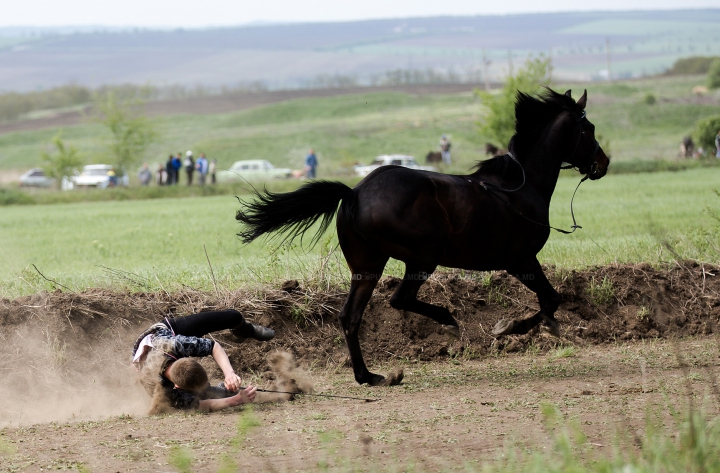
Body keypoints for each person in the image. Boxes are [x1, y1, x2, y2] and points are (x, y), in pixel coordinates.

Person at [132, 309, 275, 413]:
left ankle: (244, 330)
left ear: (187, 357)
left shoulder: (179, 344)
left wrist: (229, 373)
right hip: (149, 359)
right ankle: (220, 390)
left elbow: (214, 347)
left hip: (165, 331)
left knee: (233, 316)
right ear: (176, 386)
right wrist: (235, 401)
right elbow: (200, 405)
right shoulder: (161, 390)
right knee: (208, 393)